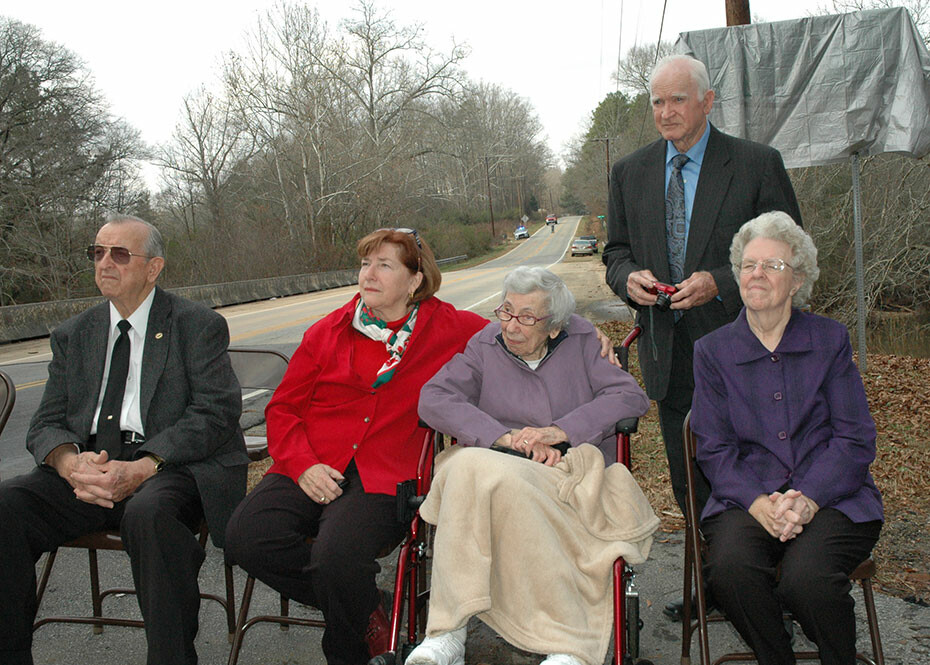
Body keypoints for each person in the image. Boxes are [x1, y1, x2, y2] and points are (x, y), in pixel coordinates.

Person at [223, 229, 489, 665]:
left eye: (385, 265)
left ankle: (347, 649)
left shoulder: (449, 327)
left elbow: (516, 331)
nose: (369, 273)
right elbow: (283, 410)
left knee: (336, 558)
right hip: (311, 461)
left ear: (415, 281)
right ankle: (367, 606)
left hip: (386, 472)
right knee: (245, 538)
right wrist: (303, 464)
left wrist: (582, 337)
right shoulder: (328, 330)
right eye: (366, 263)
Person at [602, 53, 803, 620]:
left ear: (707, 102)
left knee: (767, 466)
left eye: (677, 100)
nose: (665, 113)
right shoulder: (630, 172)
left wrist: (720, 282)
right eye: (657, 102)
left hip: (752, 348)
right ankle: (716, 586)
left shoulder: (757, 164)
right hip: (670, 354)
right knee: (690, 477)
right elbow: (616, 252)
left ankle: (778, 591)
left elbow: (789, 251)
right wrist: (628, 279)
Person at [0, 215, 248, 665]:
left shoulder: (197, 325)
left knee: (149, 514)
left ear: (154, 268)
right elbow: (46, 424)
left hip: (170, 465)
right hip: (92, 466)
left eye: (119, 253)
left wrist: (143, 466)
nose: (105, 263)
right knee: (6, 505)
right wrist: (69, 463)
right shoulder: (74, 334)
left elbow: (216, 414)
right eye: (97, 252)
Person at [406, 266, 658, 665]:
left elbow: (628, 398)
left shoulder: (581, 342)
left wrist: (560, 431)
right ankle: (477, 637)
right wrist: (503, 438)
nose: (511, 326)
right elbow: (434, 398)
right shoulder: (484, 344)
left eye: (527, 317)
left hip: (567, 468)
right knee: (469, 467)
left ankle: (453, 633)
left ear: (555, 326)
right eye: (506, 312)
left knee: (471, 472)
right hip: (492, 460)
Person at [691, 211, 883, 665]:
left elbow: (855, 439)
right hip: (746, 498)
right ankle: (776, 657)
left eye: (772, 266)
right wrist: (760, 502)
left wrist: (809, 498)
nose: (757, 274)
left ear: (797, 281)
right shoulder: (713, 352)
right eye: (749, 264)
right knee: (731, 570)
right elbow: (714, 448)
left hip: (834, 498)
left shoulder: (829, 340)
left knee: (808, 579)